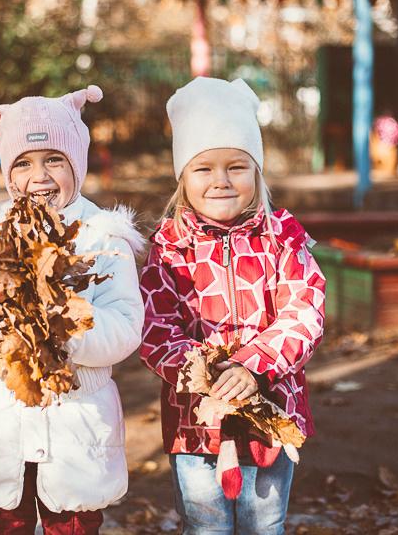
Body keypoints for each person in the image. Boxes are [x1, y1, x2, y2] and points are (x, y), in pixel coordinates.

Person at [0, 86, 144, 535]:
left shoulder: (103, 237)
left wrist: (67, 322)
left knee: (70, 522)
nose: (40, 176)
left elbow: (126, 327)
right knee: (2, 522)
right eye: (24, 163)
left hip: (75, 426)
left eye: (55, 160)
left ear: (77, 165)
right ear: (8, 171)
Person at [138, 77, 326, 535]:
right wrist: (204, 375)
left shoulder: (281, 238)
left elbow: (304, 309)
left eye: (236, 166)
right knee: (207, 524)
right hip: (197, 420)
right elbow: (153, 328)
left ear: (257, 171)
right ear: (183, 177)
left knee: (265, 522)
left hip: (271, 410)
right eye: (203, 169)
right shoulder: (169, 248)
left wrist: (253, 366)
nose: (221, 181)